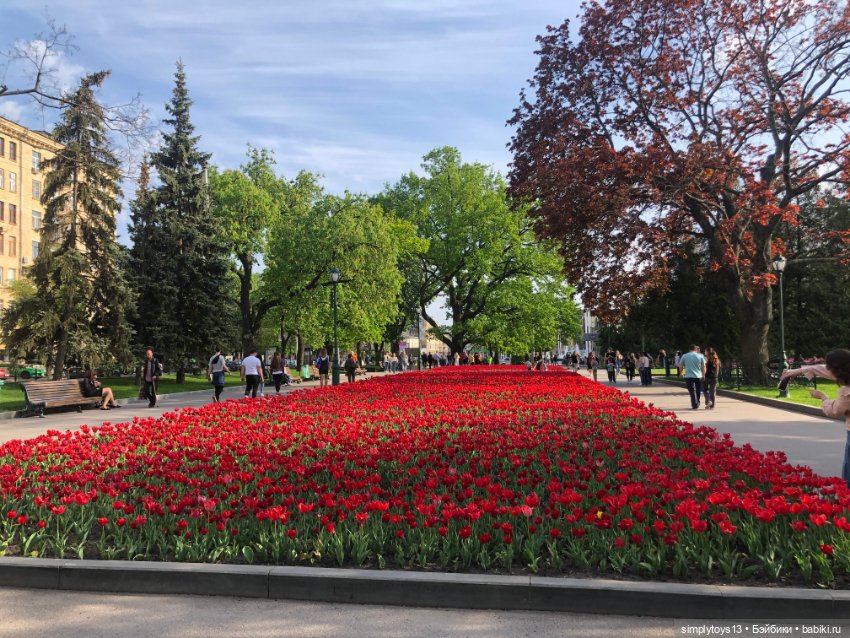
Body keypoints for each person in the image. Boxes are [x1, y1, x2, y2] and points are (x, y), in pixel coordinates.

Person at [780, 349, 850, 487]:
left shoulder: (847, 395)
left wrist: (823, 397)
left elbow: (833, 410)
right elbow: (823, 369)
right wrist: (798, 371)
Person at [679, 345, 706, 409]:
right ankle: (697, 402)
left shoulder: (684, 356)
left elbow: (681, 365)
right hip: (698, 376)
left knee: (692, 390)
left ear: (689, 349)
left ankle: (694, 404)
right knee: (698, 390)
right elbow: (703, 366)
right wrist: (703, 375)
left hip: (689, 376)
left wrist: (681, 372)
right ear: (696, 349)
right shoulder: (700, 356)